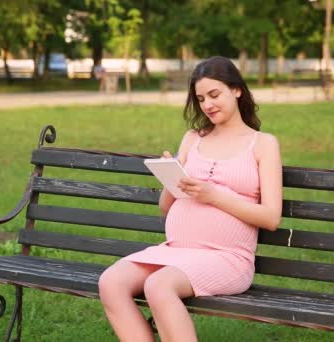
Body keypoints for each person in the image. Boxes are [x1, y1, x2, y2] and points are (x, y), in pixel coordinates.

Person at [98, 56, 283, 342]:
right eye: (200, 98)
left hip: (227, 258)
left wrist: (214, 196)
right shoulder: (193, 139)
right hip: (176, 250)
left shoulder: (262, 144)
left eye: (214, 94)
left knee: (159, 285)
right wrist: (172, 178)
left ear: (237, 90)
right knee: (111, 282)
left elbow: (271, 218)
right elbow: (165, 208)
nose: (207, 105)